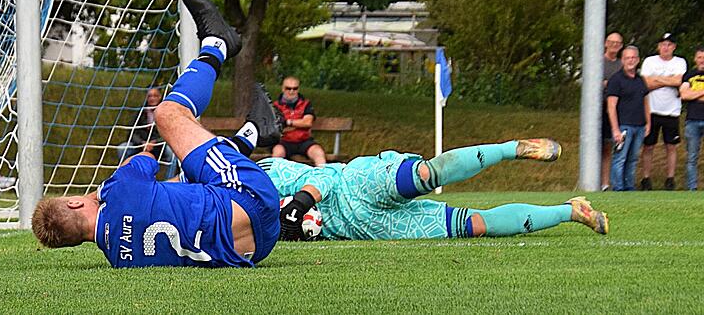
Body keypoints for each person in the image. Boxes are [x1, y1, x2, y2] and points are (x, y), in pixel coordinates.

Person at [32, 0, 282, 268]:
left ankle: (254, 133)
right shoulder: (120, 191)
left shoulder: (121, 260)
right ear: (74, 204)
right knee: (169, 114)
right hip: (252, 196)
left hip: (259, 244)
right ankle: (217, 45)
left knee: (172, 190)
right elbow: (145, 161)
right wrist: (99, 191)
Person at [256, 138, 608, 241]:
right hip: (367, 229)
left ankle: (512, 148)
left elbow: (325, 177)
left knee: (428, 174)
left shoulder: (257, 174)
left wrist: (299, 203)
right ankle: (572, 211)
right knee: (475, 225)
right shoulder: (229, 218)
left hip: (357, 185)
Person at [639, 33, 687, 190]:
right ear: (658, 46)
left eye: (669, 44)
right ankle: (646, 178)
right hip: (651, 110)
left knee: (671, 146)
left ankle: (670, 178)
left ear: (674, 47)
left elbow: (679, 81)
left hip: (672, 111)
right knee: (648, 146)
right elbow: (645, 83)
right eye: (663, 44)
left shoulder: (680, 62)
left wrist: (657, 80)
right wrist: (668, 81)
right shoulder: (649, 61)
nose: (666, 47)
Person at [606, 45, 651, 191]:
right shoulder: (616, 80)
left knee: (633, 159)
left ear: (637, 60)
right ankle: (618, 188)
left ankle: (629, 187)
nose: (630, 60)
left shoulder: (640, 80)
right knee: (620, 159)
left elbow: (645, 102)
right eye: (627, 58)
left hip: (639, 126)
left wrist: (648, 123)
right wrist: (615, 129)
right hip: (624, 126)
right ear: (622, 60)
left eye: (633, 58)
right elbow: (611, 106)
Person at [116, 87, 177, 178]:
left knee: (172, 152)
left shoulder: (166, 112)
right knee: (122, 148)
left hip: (159, 146)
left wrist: (155, 142)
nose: (152, 98)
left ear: (160, 97)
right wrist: (142, 143)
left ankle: (169, 180)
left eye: (155, 96)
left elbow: (171, 132)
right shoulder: (140, 113)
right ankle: (127, 178)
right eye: (150, 96)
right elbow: (132, 132)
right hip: (141, 145)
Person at [271, 76, 327, 166]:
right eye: (288, 88)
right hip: (284, 141)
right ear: (283, 89)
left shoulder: (306, 104)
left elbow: (308, 122)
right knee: (277, 153)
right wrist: (299, 123)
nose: (291, 91)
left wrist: (288, 122)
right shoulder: (275, 106)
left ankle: (323, 177)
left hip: (304, 141)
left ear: (298, 89)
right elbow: (278, 127)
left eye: (295, 88)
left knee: (318, 152)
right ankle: (274, 178)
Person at [600, 32, 624, 191]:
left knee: (609, 146)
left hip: (616, 108)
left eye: (618, 43)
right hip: (598, 108)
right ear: (605, 43)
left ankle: (605, 183)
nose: (614, 45)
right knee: (596, 147)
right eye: (611, 42)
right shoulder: (599, 62)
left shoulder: (622, 64)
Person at [680, 46, 704, 191]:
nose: (702, 60)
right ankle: (691, 189)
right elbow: (684, 95)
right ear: (695, 59)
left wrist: (694, 93)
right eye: (700, 57)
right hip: (692, 120)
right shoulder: (688, 75)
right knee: (691, 158)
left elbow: (689, 94)